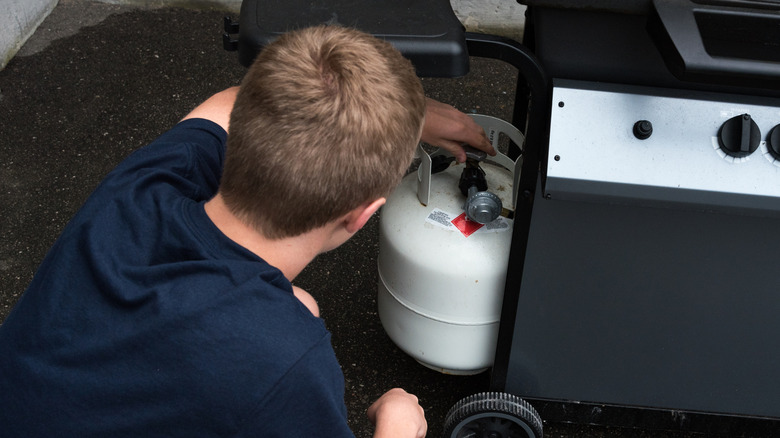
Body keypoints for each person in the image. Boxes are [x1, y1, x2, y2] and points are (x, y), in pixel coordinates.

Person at [0, 25, 493, 438]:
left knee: (300, 307)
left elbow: (228, 103)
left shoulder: (142, 187)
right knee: (298, 321)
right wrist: (398, 421)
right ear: (361, 216)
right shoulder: (285, 363)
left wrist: (410, 115)